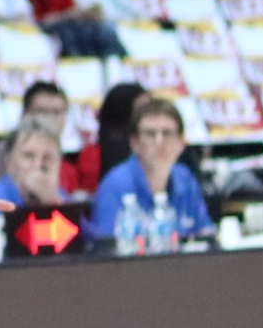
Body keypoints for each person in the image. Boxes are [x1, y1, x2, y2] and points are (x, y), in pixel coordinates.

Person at [88, 95, 213, 244]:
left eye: (167, 133)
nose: (159, 142)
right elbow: (106, 250)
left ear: (181, 143)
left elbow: (206, 236)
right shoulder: (114, 185)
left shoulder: (185, 178)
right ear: (134, 143)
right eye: (150, 134)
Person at [0, 120, 68, 210]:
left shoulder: (60, 195)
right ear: (10, 161)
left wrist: (53, 201)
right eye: (29, 156)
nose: (37, 165)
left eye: (47, 157)